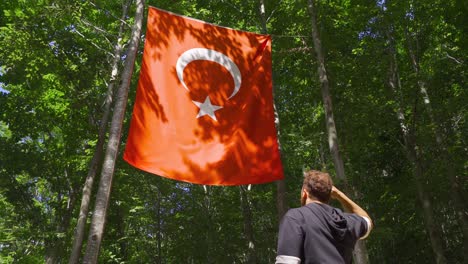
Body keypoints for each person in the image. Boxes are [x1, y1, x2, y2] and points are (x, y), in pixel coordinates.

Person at [276, 170, 373, 264]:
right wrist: (339, 195)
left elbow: (287, 262)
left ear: (305, 193)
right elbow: (367, 221)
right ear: (329, 195)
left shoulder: (296, 217)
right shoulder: (345, 221)